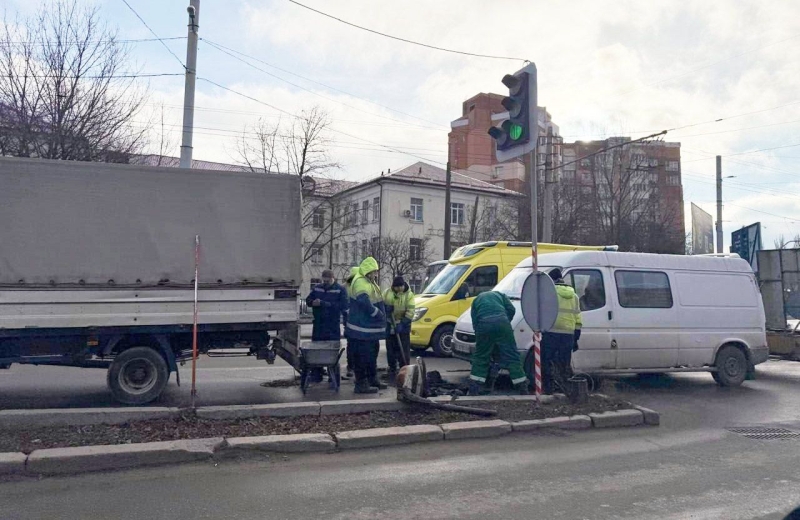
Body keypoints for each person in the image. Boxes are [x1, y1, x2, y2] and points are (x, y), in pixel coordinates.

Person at [468, 290, 528, 396]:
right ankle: (522, 387)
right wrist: (505, 321)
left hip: (484, 325)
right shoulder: (501, 295)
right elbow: (511, 309)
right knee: (512, 356)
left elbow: (475, 320)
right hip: (503, 325)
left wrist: (481, 337)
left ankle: (474, 388)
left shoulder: (476, 300)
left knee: (481, 357)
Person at [346, 257, 388, 394]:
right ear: (368, 271)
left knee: (372, 354)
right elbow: (364, 300)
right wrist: (377, 313)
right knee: (363, 357)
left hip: (368, 329)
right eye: (374, 272)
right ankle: (361, 383)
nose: (376, 274)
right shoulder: (360, 281)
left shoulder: (367, 281)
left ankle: (371, 379)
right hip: (361, 329)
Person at [541, 268, 582, 394]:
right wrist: (575, 338)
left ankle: (548, 389)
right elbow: (578, 317)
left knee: (546, 361)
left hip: (551, 332)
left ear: (552, 280)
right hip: (568, 334)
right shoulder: (574, 296)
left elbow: (544, 313)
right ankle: (566, 389)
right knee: (564, 362)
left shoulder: (550, 293)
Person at [305, 270, 348, 384]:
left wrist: (324, 303)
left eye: (327, 281)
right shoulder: (317, 288)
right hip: (318, 324)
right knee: (317, 350)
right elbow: (308, 299)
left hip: (332, 325)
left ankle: (332, 376)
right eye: (324, 281)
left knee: (332, 352)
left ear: (333, 278)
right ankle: (316, 374)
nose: (325, 283)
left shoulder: (340, 290)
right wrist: (312, 302)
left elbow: (343, 306)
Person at [383, 275, 415, 382]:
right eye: (397, 287)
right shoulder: (387, 293)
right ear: (393, 286)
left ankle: (405, 369)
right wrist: (385, 309)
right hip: (389, 325)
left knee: (404, 350)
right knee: (391, 350)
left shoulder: (409, 295)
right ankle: (392, 369)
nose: (399, 289)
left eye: (400, 286)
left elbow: (410, 311)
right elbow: (381, 304)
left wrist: (403, 323)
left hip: (403, 327)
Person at [342, 266, 360, 380]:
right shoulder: (345, 288)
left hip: (356, 319)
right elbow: (343, 303)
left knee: (356, 345)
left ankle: (354, 367)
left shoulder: (352, 286)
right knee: (352, 345)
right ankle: (351, 367)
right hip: (350, 319)